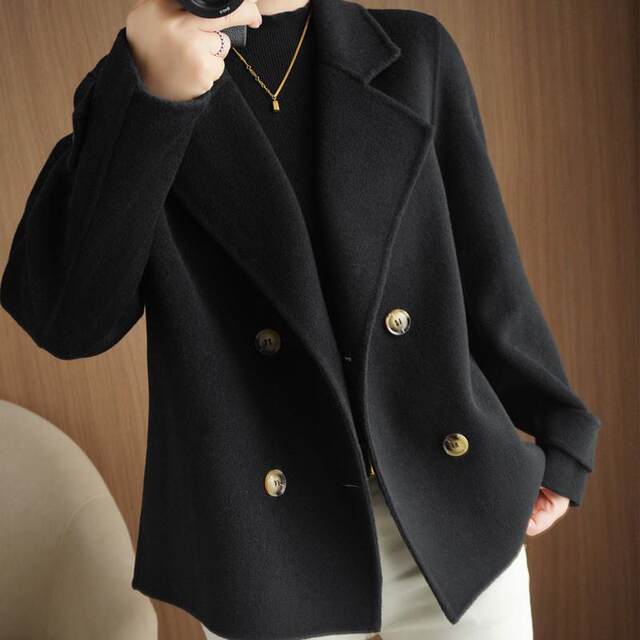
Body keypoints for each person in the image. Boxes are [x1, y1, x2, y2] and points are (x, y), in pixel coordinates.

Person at [0, 0, 602, 638]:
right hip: (266, 544)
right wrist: (150, 98)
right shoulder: (134, 87)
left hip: (450, 498)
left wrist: (560, 428)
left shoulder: (411, 50)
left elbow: (485, 263)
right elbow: (70, 322)